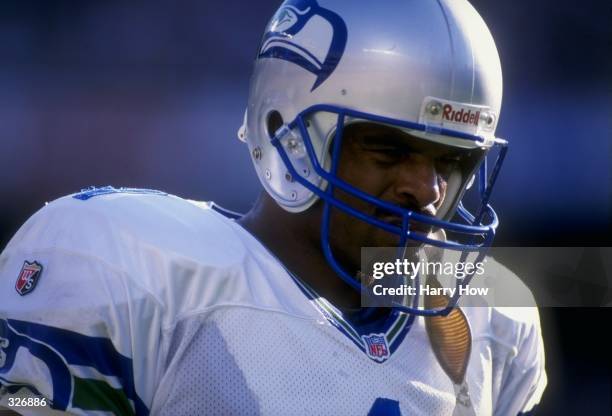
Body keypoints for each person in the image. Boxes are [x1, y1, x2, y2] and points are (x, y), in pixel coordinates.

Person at [0, 0, 546, 414]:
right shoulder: (129, 268)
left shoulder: (489, 321)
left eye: (451, 162)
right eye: (389, 150)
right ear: (283, 133)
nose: (426, 189)